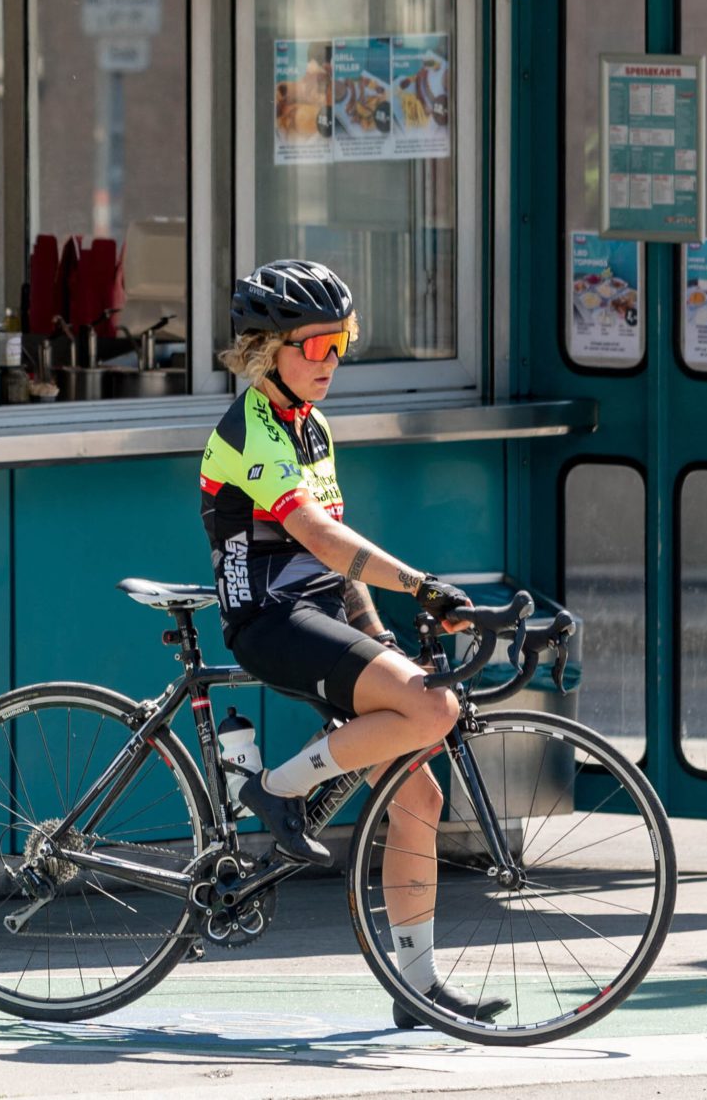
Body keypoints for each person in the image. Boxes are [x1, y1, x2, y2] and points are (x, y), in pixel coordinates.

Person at [198, 258, 505, 1027]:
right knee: (430, 708)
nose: (331, 361)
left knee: (421, 794)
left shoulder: (312, 423)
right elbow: (318, 535)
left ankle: (417, 988)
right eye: (316, 345)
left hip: (322, 614)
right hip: (268, 618)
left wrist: (385, 638)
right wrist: (422, 581)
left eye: (343, 342)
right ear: (268, 348)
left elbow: (341, 571)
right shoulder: (249, 427)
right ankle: (275, 788)